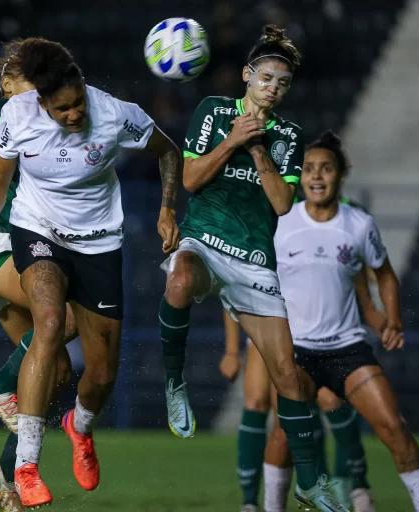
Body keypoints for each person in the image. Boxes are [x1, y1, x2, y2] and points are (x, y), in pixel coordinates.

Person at [0, 38, 183, 507]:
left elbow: (169, 151)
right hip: (35, 229)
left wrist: (166, 209)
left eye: (78, 103)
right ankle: (25, 467)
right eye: (62, 109)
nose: (74, 115)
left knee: (99, 373)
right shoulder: (16, 116)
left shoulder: (116, 113)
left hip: (99, 241)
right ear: (40, 102)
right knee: (50, 322)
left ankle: (79, 429)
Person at [157, 25, 347, 511]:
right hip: (204, 241)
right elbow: (193, 178)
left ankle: (309, 482)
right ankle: (175, 383)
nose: (273, 89)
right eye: (266, 78)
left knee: (288, 374)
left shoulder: (288, 136)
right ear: (247, 75)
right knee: (179, 278)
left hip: (255, 260)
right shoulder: (215, 112)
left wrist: (259, 148)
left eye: (282, 84)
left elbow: (284, 205)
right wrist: (233, 140)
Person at [263, 131, 419, 512]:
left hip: (347, 350)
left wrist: (393, 320)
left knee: (395, 428)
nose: (317, 176)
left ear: (342, 174)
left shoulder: (358, 224)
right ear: (300, 175)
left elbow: (385, 274)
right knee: (283, 435)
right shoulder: (281, 221)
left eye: (326, 168)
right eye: (309, 169)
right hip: (298, 353)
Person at [0, 38, 77, 512]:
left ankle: (4, 479)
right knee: (62, 322)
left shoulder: (53, 117)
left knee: (53, 371)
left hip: (21, 248)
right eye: (31, 79)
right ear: (7, 84)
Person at [221, 251, 384, 512]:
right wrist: (231, 351)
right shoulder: (260, 224)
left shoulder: (318, 220)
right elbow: (232, 282)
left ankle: (350, 485)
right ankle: (250, 502)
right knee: (257, 403)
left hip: (310, 332)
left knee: (329, 400)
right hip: (267, 326)